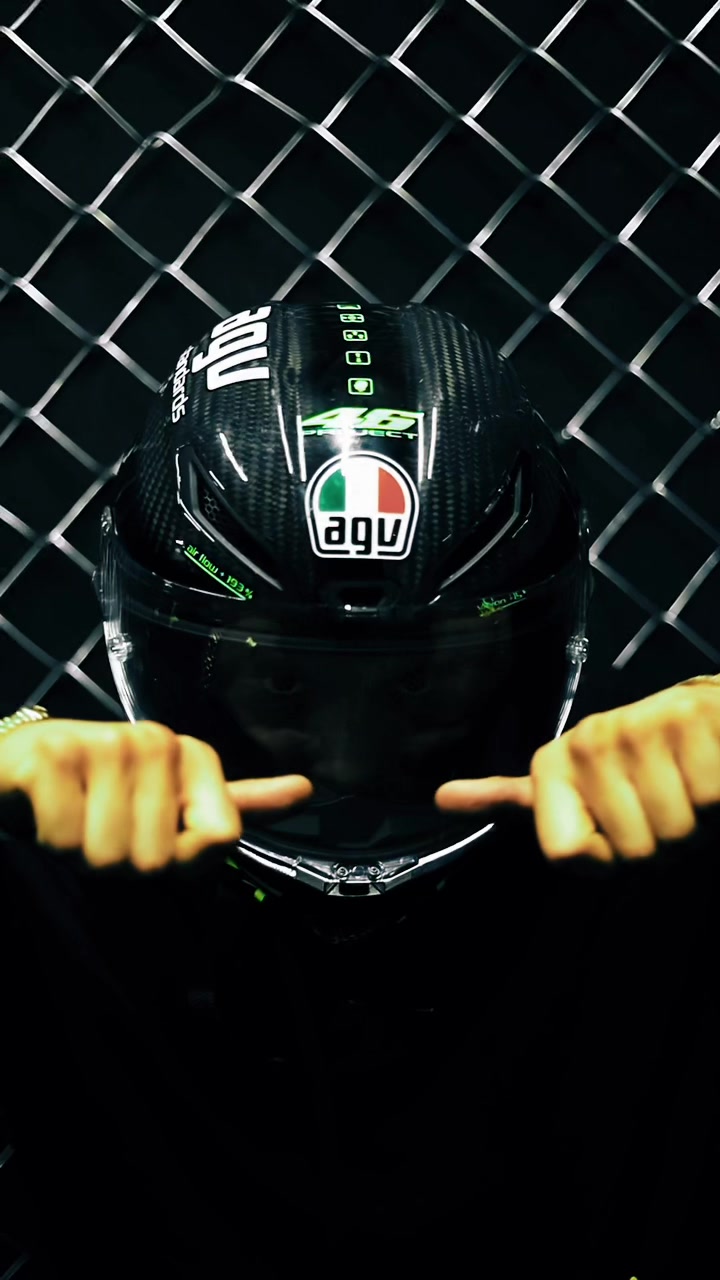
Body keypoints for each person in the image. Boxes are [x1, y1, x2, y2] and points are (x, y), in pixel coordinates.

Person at [0, 300, 718, 1280]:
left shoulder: (662, 863)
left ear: (518, 659)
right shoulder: (56, 872)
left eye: (423, 682)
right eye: (283, 684)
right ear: (183, 664)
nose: (346, 760)